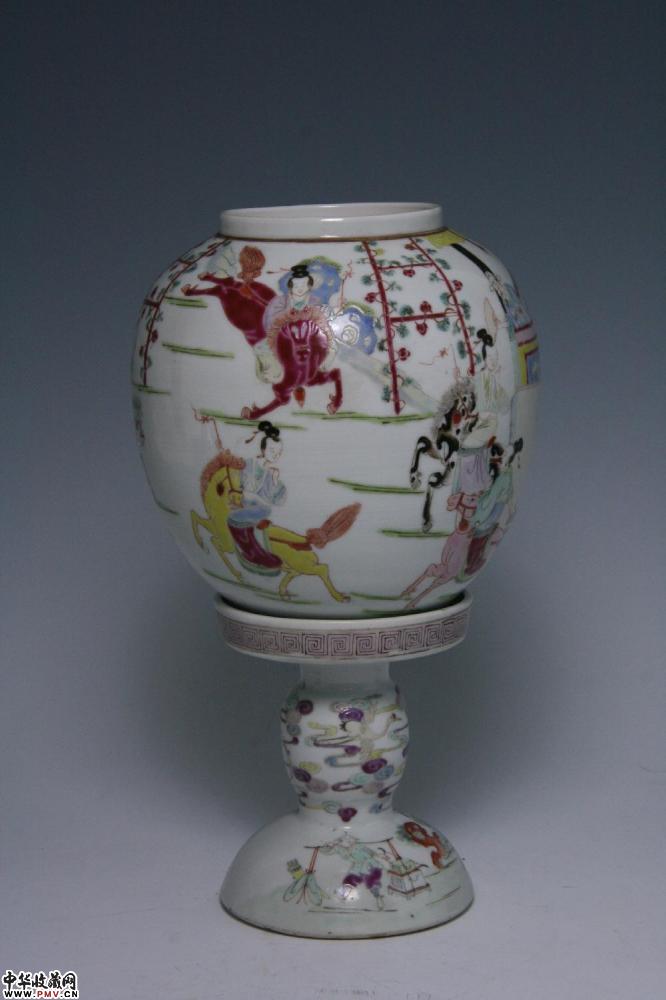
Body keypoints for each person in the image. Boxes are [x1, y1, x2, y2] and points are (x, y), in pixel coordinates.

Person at [226, 421, 287, 572]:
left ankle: (256, 553)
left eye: (279, 452)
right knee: (237, 516)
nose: (276, 455)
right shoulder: (250, 464)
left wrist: (274, 481)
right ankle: (253, 553)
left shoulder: (272, 472)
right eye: (272, 451)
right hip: (246, 504)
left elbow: (277, 501)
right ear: (263, 449)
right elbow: (242, 488)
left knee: (261, 510)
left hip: (258, 508)